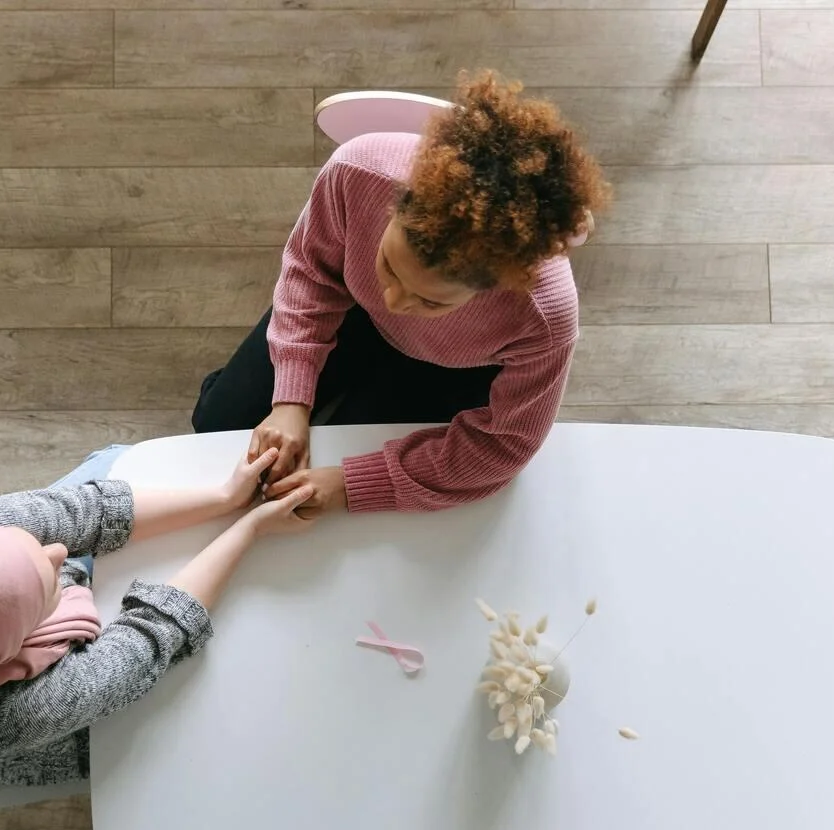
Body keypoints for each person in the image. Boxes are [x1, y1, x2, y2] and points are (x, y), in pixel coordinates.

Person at [191, 71, 610, 515]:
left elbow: (503, 445)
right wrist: (291, 400)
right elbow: (311, 270)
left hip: (454, 366)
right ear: (394, 204)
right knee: (215, 424)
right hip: (353, 310)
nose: (393, 301)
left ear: (499, 286)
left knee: (334, 458)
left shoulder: (545, 318)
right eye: (389, 265)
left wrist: (349, 486)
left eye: (431, 300)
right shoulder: (356, 171)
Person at [0, 444, 314, 789]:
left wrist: (225, 497)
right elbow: (153, 634)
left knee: (116, 461)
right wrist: (250, 527)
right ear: (9, 646)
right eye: (48, 585)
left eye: (27, 543)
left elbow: (82, 515)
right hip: (12, 747)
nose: (61, 551)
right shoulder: (8, 718)